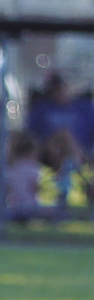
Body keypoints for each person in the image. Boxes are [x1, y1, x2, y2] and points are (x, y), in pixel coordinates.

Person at [25, 71, 94, 210]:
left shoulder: (84, 107)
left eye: (59, 89)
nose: (56, 93)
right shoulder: (42, 108)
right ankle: (81, 181)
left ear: (66, 87)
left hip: (81, 150)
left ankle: (63, 188)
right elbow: (29, 134)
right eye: (52, 90)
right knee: (62, 137)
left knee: (66, 137)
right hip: (48, 150)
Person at [4, 132, 55, 223]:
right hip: (29, 207)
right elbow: (36, 187)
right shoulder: (33, 168)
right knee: (55, 211)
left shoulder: (12, 168)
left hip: (13, 208)